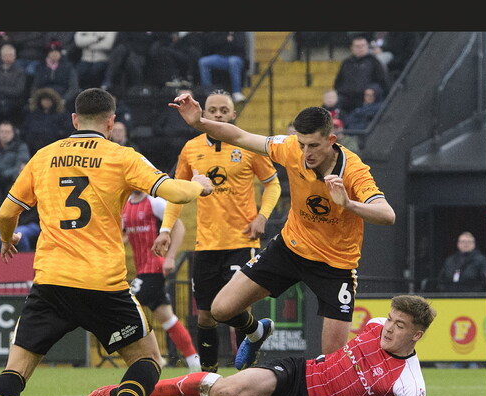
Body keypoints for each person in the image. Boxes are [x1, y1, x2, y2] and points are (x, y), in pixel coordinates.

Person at [0, 87, 214, 396]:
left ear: (74, 120)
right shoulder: (122, 156)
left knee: (16, 368)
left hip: (52, 283)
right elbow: (174, 191)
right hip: (103, 283)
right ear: (110, 122)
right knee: (148, 359)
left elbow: (5, 213)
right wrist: (201, 185)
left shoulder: (44, 157)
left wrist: (9, 238)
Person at [168, 94, 395, 368]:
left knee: (333, 361)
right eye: (301, 144)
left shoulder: (354, 171)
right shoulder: (290, 149)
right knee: (220, 309)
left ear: (331, 141)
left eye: (313, 145)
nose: (306, 153)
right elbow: (240, 136)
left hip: (335, 265)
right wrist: (199, 122)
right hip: (289, 249)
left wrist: (348, 203)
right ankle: (257, 332)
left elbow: (387, 215)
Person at [87, 294, 435, 396]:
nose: (388, 328)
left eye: (399, 325)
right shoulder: (374, 325)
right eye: (390, 319)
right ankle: (131, 393)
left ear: (416, 335)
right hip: (299, 374)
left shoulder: (409, 381)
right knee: (227, 390)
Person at [161, 90, 280, 372]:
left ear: (233, 114)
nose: (217, 115)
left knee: (237, 308)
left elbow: (272, 183)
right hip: (205, 244)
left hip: (241, 240)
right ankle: (208, 379)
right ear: (204, 113)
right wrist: (165, 229)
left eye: (223, 111)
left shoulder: (248, 145)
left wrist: (262, 216)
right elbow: (177, 192)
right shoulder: (191, 149)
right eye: (212, 110)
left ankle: (247, 376)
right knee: (205, 316)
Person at [123, 189, 202, 372]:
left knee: (127, 304)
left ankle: (153, 358)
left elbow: (179, 226)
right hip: (142, 269)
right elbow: (125, 235)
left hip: (154, 267)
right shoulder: (126, 205)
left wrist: (170, 257)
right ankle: (194, 363)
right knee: (167, 318)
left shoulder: (155, 202)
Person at [333, 34, 391, 116]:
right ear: (352, 48)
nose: (360, 48)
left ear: (367, 46)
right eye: (357, 46)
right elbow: (338, 82)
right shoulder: (346, 63)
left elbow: (382, 83)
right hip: (346, 100)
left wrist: (372, 90)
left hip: (365, 101)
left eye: (363, 46)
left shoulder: (374, 62)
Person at [0, 43, 29, 125]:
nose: (7, 58)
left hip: (14, 102)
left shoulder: (20, 71)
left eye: (10, 55)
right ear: (1, 56)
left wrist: (1, 89)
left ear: (15, 56)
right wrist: (2, 95)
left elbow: (18, 90)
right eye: (5, 55)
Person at [197, 32, 248, 103]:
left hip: (237, 58)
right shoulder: (222, 33)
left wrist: (227, 41)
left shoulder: (239, 33)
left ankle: (237, 92)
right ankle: (208, 91)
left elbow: (240, 45)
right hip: (222, 57)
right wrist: (226, 39)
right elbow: (214, 43)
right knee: (203, 62)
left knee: (233, 61)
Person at [30, 40, 80, 111]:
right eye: (52, 52)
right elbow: (35, 85)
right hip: (43, 98)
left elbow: (73, 87)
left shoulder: (68, 67)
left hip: (62, 98)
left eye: (56, 52)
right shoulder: (41, 67)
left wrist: (64, 100)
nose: (54, 54)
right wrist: (35, 98)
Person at [21, 87, 73, 154]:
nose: (46, 102)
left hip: (55, 148)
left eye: (48, 100)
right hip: (33, 148)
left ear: (53, 101)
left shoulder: (62, 115)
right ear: (40, 101)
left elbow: (67, 132)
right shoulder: (33, 114)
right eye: (44, 100)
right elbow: (25, 130)